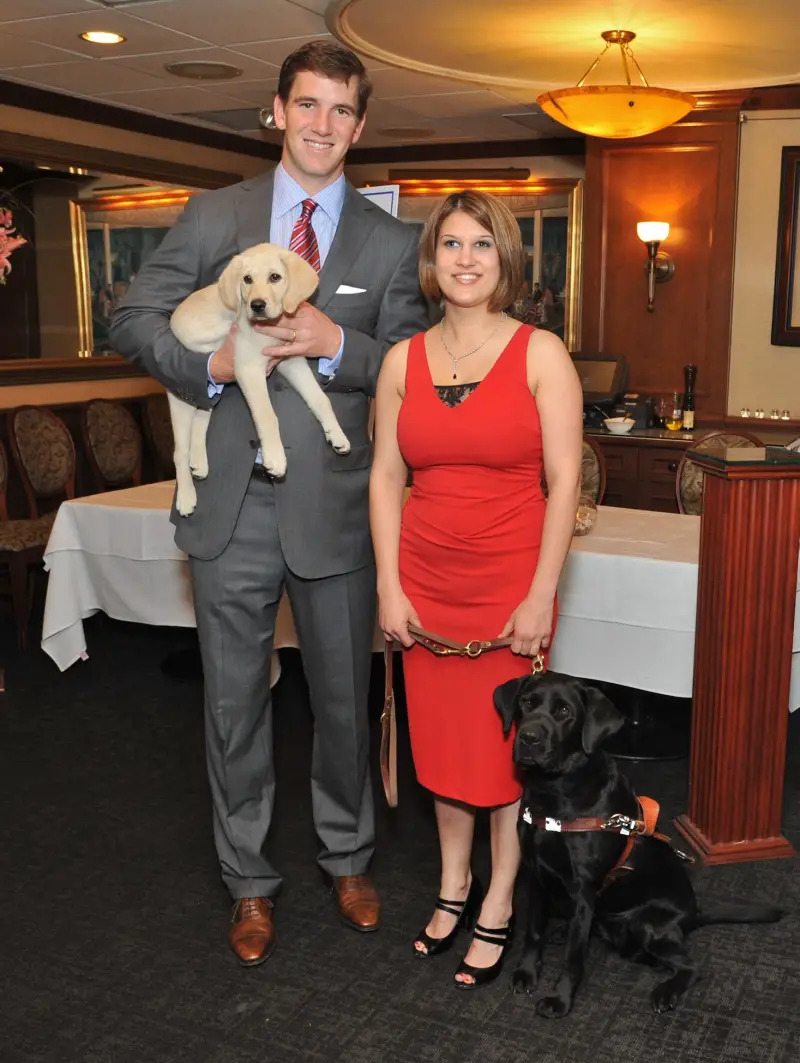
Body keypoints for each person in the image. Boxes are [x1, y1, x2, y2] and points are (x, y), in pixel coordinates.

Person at [110, 40, 428, 967]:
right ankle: (248, 881)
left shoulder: (390, 242)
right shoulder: (216, 215)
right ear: (277, 110)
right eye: (309, 105)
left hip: (335, 511)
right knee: (234, 704)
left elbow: (409, 365)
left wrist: (338, 341)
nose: (324, 125)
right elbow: (134, 317)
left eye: (342, 111)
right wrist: (206, 364)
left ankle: (348, 856)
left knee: (342, 697)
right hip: (228, 505)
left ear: (360, 126)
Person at [369, 190, 582, 989]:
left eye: (482, 245)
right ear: (432, 259)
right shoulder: (401, 360)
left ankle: (499, 894)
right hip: (424, 584)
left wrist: (541, 593)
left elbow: (562, 485)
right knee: (444, 750)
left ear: (507, 261)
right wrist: (389, 586)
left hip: (509, 583)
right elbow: (386, 480)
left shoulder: (541, 353)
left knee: (504, 756)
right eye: (451, 244)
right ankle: (452, 881)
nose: (465, 259)